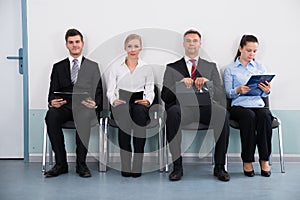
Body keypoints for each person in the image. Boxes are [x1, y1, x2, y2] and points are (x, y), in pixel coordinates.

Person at [161, 29, 230, 182]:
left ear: (200, 44)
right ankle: (177, 167)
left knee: (222, 113)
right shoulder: (172, 67)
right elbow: (165, 96)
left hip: (205, 108)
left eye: (195, 40)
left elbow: (219, 94)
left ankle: (219, 166)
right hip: (183, 109)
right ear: (183, 44)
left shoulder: (211, 66)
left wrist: (208, 83)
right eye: (188, 40)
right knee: (172, 113)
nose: (191, 43)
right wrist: (177, 84)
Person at [44, 28, 103, 178]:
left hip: (83, 107)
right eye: (71, 42)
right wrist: (52, 102)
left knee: (83, 117)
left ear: (82, 43)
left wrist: (95, 104)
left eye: (77, 42)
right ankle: (61, 164)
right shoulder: (58, 67)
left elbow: (98, 91)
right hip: (64, 106)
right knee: (51, 115)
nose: (74, 45)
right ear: (66, 45)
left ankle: (81, 165)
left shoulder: (92, 66)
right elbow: (52, 90)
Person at [224, 34, 273, 177]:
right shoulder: (230, 69)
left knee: (265, 116)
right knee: (249, 116)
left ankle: (264, 159)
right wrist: (238, 90)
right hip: (239, 107)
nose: (251, 54)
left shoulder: (260, 67)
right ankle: (247, 160)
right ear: (240, 49)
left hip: (257, 105)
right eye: (248, 50)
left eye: (254, 51)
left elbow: (264, 95)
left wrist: (266, 91)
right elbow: (228, 93)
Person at [106, 34, 155, 177]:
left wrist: (148, 100)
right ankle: (126, 164)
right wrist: (114, 100)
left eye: (136, 46)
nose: (133, 49)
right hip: (122, 101)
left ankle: (137, 164)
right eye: (129, 46)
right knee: (124, 117)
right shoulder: (116, 67)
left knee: (140, 115)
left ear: (140, 48)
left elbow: (150, 88)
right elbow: (111, 89)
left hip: (139, 101)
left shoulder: (146, 68)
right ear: (125, 48)